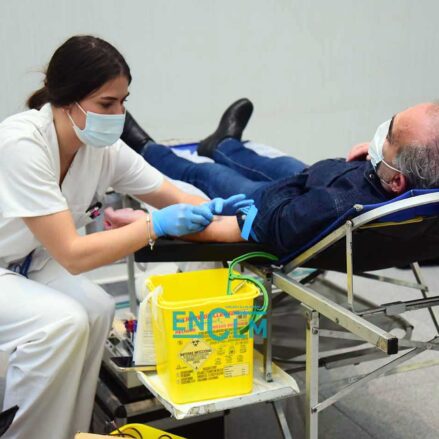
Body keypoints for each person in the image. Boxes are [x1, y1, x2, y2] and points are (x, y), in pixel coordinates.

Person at [0, 36, 252, 439]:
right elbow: (73, 254)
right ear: (68, 99)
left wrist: (240, 222)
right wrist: (152, 226)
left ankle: (73, 434)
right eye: (106, 104)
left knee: (98, 309)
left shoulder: (102, 150)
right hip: (12, 266)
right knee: (61, 323)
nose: (118, 115)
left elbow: (176, 197)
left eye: (123, 102)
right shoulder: (22, 143)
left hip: (28, 261)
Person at [120, 99, 439, 256]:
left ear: (398, 182)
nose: (381, 133)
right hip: (336, 178)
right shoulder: (418, 181)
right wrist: (375, 161)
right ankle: (222, 144)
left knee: (205, 173)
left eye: (389, 137)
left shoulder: (328, 208)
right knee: (272, 161)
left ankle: (145, 147)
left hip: (279, 201)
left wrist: (152, 224)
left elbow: (231, 229)